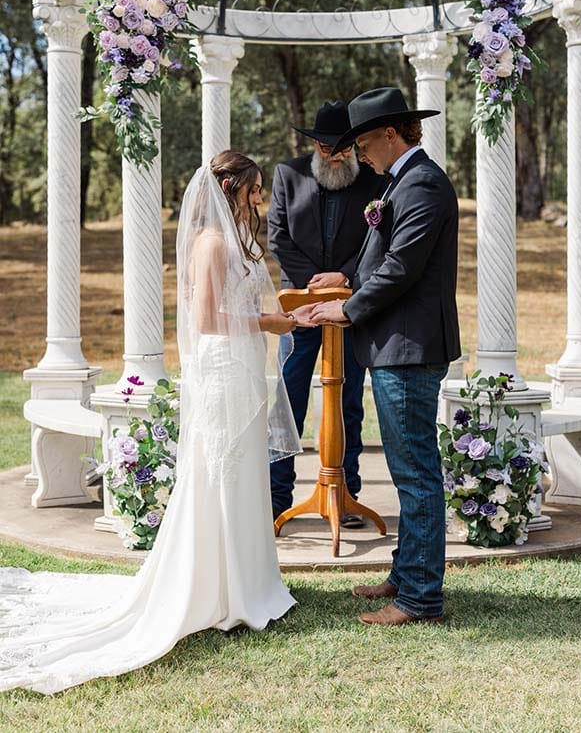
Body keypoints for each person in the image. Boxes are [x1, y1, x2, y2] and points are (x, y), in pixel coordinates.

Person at [0, 151, 305, 694]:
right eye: (254, 189)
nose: (259, 199)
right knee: (221, 469)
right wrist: (270, 322)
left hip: (239, 363)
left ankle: (248, 582)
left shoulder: (236, 239)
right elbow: (208, 319)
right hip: (220, 365)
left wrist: (280, 316)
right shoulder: (211, 242)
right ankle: (218, 589)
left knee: (241, 470)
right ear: (232, 188)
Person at [311, 87, 461, 626]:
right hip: (397, 345)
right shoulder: (403, 181)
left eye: (364, 142)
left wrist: (346, 309)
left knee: (416, 473)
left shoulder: (423, 184)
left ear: (392, 134)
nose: (358, 154)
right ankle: (405, 574)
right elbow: (385, 255)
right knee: (406, 469)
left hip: (410, 347)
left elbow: (402, 268)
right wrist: (348, 275)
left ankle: (420, 598)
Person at [267, 100, 385, 526]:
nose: (333, 156)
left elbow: (379, 241)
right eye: (324, 148)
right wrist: (314, 283)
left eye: (341, 149)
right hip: (299, 306)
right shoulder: (288, 173)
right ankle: (277, 495)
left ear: (354, 147)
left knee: (349, 401)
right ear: (313, 145)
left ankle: (346, 491)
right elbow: (278, 237)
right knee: (287, 400)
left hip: (352, 303)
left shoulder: (374, 179)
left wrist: (344, 279)